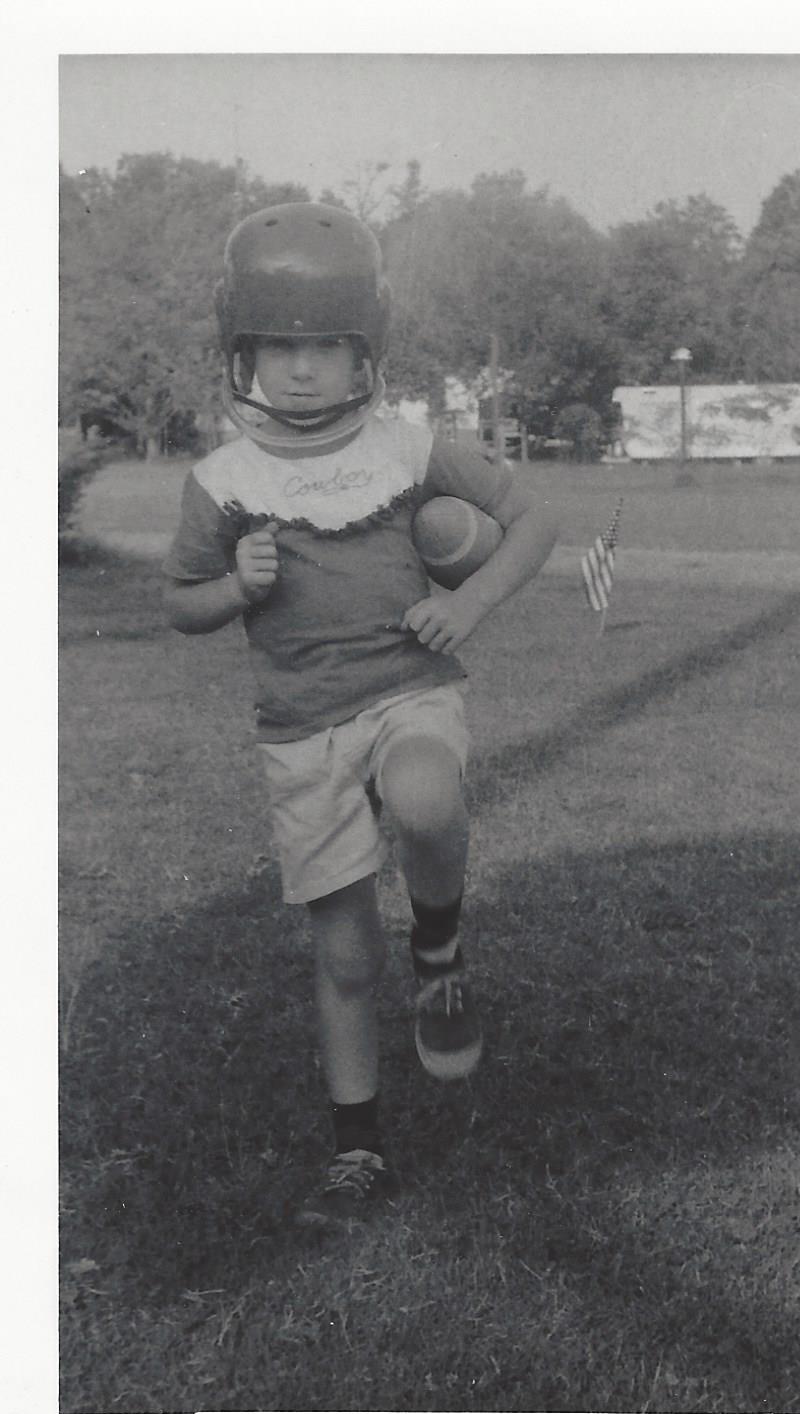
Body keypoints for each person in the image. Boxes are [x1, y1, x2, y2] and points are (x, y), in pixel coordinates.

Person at [162, 203, 558, 1225]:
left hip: (407, 688)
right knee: (341, 955)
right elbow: (181, 604)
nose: (302, 369)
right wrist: (234, 589)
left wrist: (468, 601)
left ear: (363, 354)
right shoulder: (222, 481)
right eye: (278, 346)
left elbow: (533, 518)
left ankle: (440, 945)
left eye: (326, 346)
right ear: (241, 354)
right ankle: (358, 1150)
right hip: (301, 729)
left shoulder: (407, 448)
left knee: (427, 798)